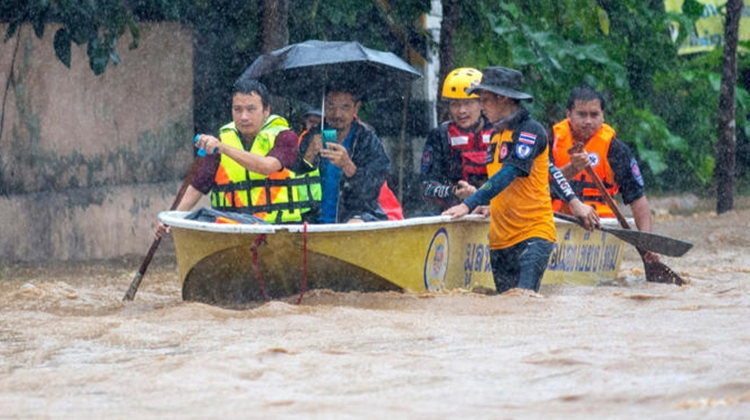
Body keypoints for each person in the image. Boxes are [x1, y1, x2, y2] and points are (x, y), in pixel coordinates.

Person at [442, 67, 600, 294]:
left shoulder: (530, 131)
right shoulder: (496, 134)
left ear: (503, 98)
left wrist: (468, 204)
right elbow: (501, 182)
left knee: (523, 300)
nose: (482, 106)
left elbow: (509, 174)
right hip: (500, 240)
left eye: (484, 100)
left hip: (532, 236)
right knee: (507, 309)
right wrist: (486, 204)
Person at [155, 78, 309, 238]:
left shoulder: (285, 137)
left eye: (251, 109)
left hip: (278, 230)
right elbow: (197, 187)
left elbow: (266, 167)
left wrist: (223, 149)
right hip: (232, 231)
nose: (243, 117)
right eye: (237, 109)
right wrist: (171, 220)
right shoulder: (221, 141)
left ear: (266, 110)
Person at [550, 86, 659, 263]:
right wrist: (572, 169)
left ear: (603, 116)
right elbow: (536, 187)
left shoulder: (616, 150)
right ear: (568, 115)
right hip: (556, 220)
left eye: (594, 115)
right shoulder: (549, 141)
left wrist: (647, 241)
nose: (588, 121)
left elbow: (638, 200)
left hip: (600, 225)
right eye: (581, 114)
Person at [296, 85, 391, 223]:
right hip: (312, 220)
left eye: (344, 107)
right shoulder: (311, 137)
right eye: (331, 106)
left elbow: (372, 190)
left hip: (354, 218)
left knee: (356, 225)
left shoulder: (367, 140)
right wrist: (308, 156)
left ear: (356, 108)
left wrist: (348, 167)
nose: (337, 114)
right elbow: (292, 182)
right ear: (323, 106)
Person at [420, 67, 495, 212]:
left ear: (481, 103)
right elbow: (426, 187)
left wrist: (481, 195)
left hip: (493, 212)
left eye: (468, 103)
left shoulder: (499, 132)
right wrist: (454, 191)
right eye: (455, 104)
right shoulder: (440, 135)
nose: (462, 111)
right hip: (451, 214)